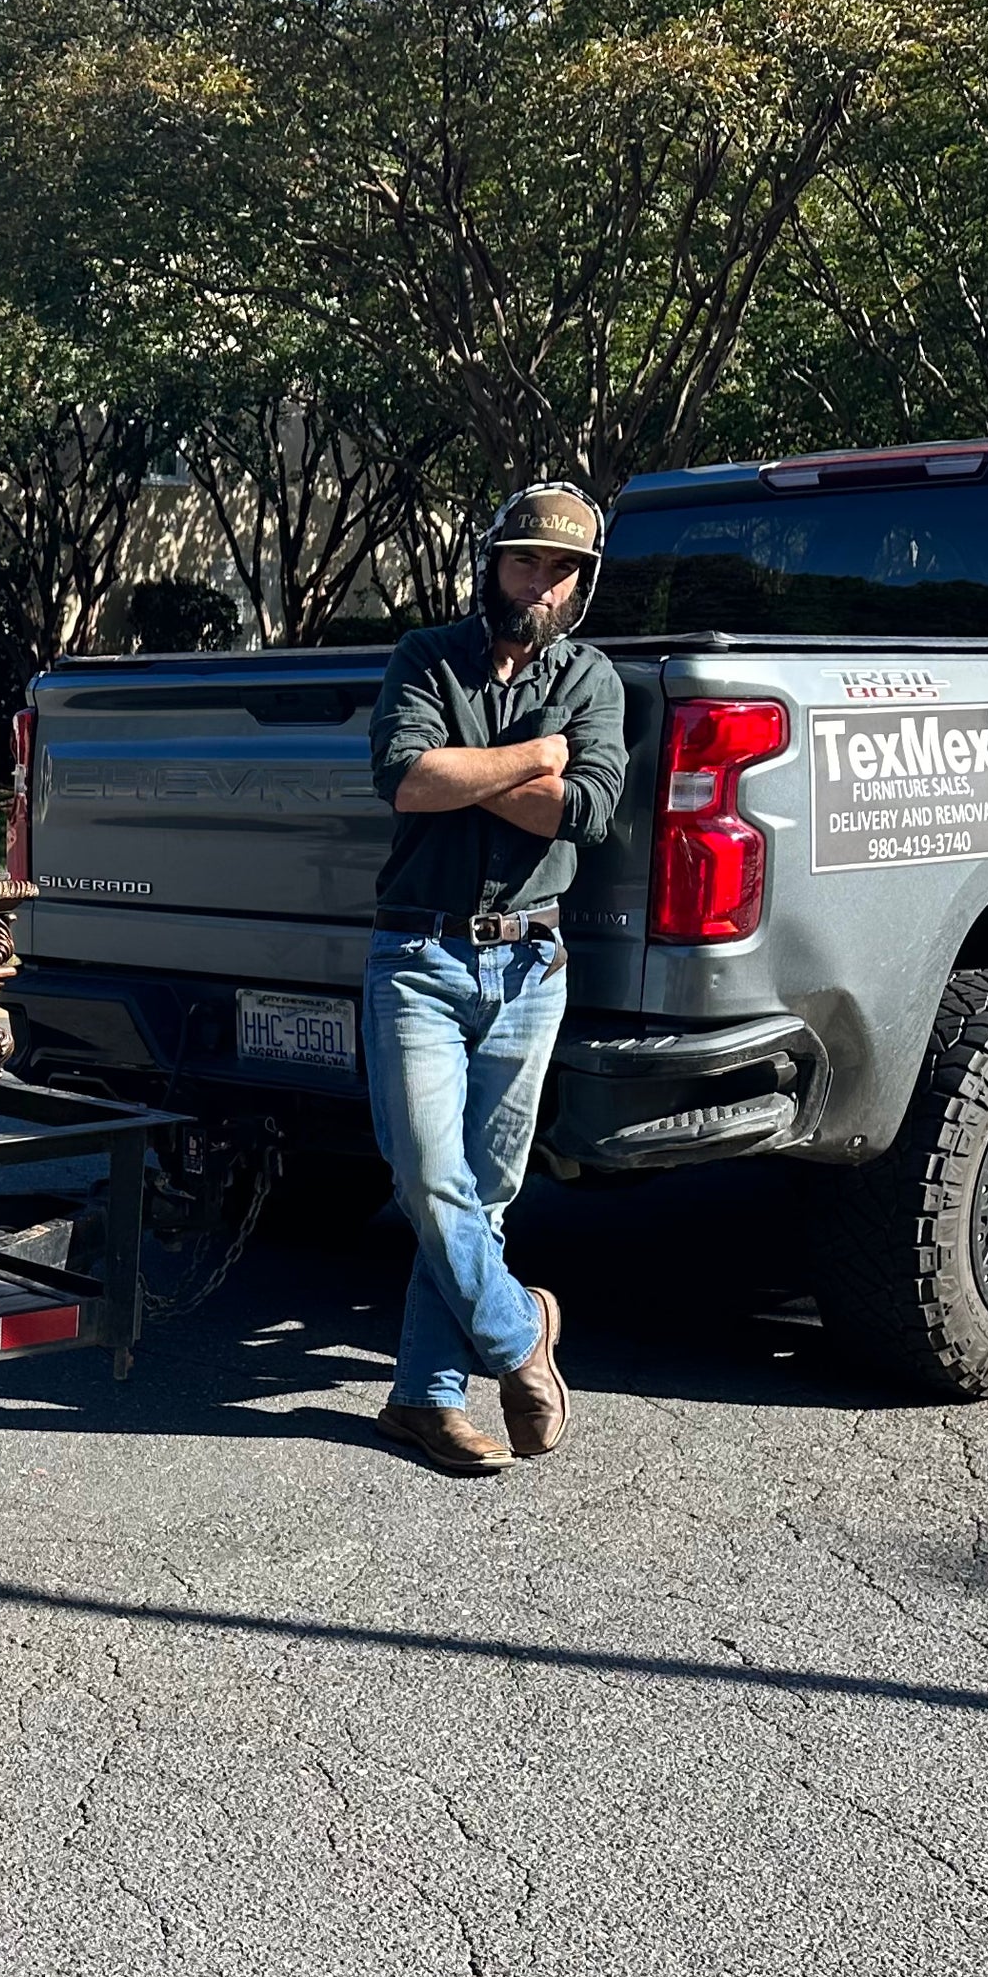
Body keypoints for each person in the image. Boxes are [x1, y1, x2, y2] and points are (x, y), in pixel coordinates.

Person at [359, 483, 627, 1474]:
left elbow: (587, 811)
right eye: (527, 563)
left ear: (582, 585)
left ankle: (425, 1400)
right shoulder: (426, 658)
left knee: (484, 1194)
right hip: (418, 957)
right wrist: (534, 758)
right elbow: (408, 781)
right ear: (492, 563)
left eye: (562, 572)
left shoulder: (594, 678)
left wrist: (485, 772)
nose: (542, 586)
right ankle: (522, 1337)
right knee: (430, 1180)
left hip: (531, 962)